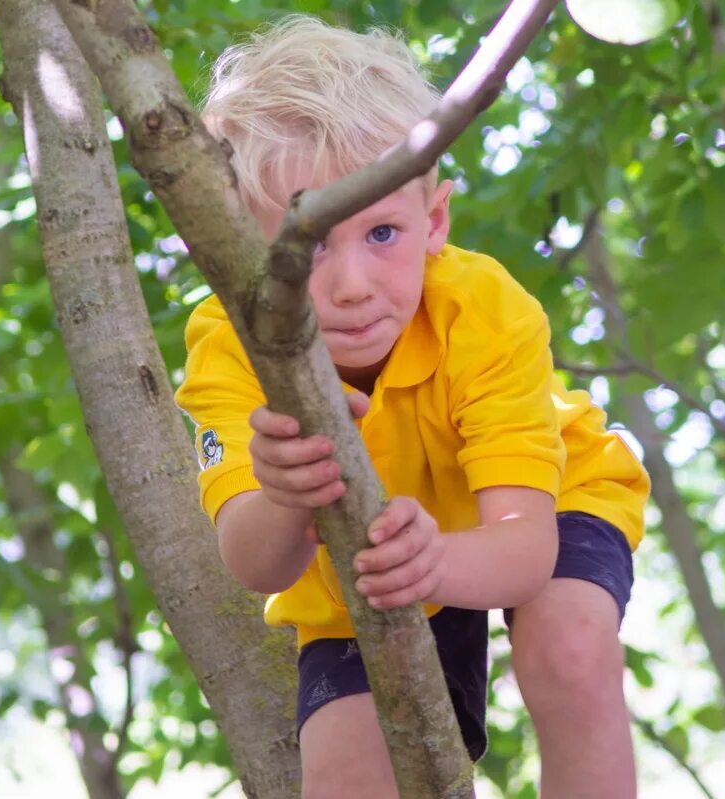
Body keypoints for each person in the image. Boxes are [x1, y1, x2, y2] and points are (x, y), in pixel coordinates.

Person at [174, 16, 650, 799]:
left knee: (568, 645)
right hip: (359, 570)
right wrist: (287, 497)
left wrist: (440, 560)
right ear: (238, 250)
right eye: (311, 243)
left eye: (384, 231)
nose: (353, 283)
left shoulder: (483, 309)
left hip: (544, 504)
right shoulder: (229, 344)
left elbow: (522, 550)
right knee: (346, 777)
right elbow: (255, 564)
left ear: (435, 221)